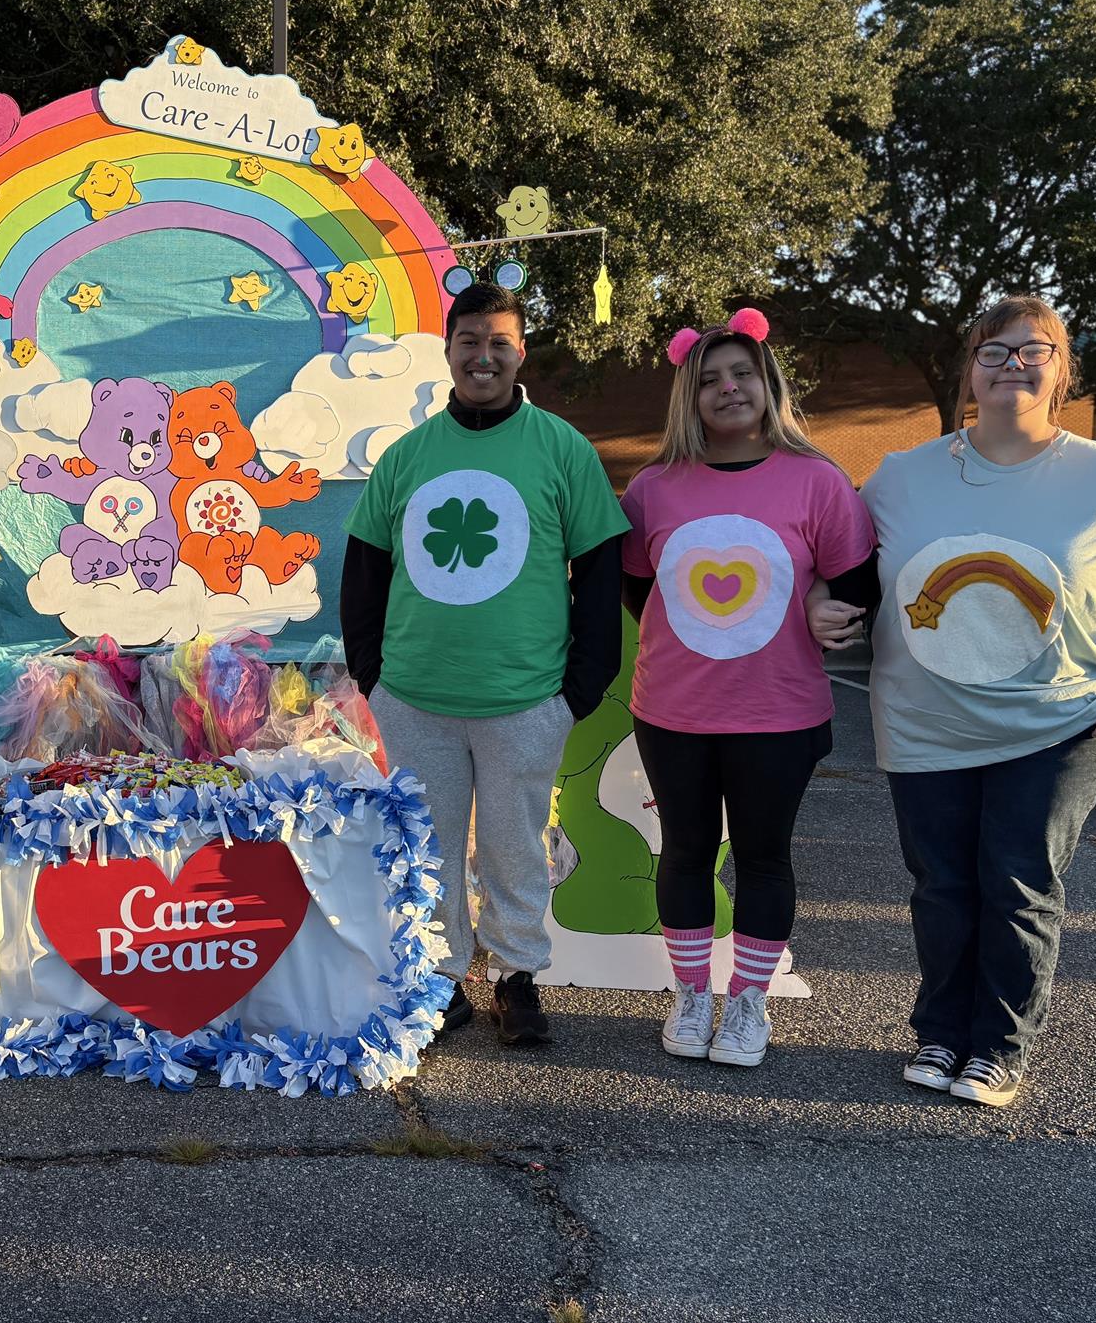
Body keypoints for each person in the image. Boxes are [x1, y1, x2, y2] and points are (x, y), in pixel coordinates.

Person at [854, 295, 1096, 1108]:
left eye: (1035, 350)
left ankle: (998, 1045)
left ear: (1063, 370)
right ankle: (941, 1032)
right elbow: (837, 562)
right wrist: (824, 601)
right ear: (970, 373)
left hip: (1063, 718)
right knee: (942, 882)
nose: (1012, 365)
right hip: (925, 719)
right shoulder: (901, 476)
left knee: (1018, 878)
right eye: (994, 352)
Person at [341, 281, 628, 1045]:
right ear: (449, 350)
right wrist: (372, 676)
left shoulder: (561, 447)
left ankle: (517, 977)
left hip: (526, 696)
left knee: (514, 842)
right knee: (430, 845)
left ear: (521, 351)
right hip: (416, 695)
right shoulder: (407, 457)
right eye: (470, 340)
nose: (484, 356)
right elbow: (364, 571)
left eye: (499, 341)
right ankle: (443, 979)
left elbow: (601, 568)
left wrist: (581, 685)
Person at [620, 309, 875, 1067]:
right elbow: (641, 591)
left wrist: (818, 605)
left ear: (768, 383)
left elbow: (856, 588)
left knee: (764, 856)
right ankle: (693, 994)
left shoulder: (819, 481)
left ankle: (749, 1003)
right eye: (710, 381)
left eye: (741, 374)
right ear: (688, 399)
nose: (728, 389)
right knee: (687, 852)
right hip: (674, 709)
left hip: (780, 711)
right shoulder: (652, 489)